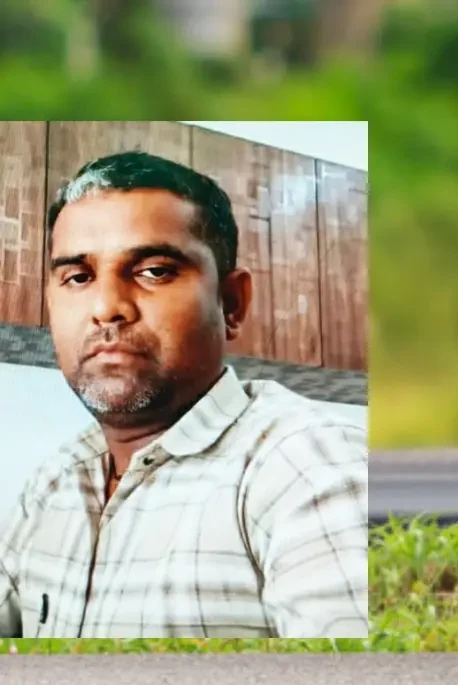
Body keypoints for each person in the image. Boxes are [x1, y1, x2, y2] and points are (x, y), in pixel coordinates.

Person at [0, 151, 369, 638]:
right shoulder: (52, 483)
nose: (107, 307)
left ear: (231, 303)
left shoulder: (308, 466)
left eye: (154, 271)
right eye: (78, 277)